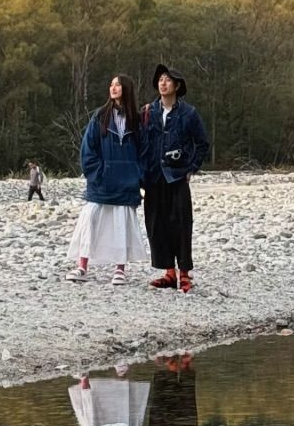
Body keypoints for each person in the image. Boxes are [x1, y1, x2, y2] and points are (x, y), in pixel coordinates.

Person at [67, 74, 147, 285]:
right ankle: (82, 266)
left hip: (127, 184)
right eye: (111, 84)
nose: (113, 88)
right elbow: (88, 150)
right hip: (101, 184)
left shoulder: (136, 121)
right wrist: (97, 174)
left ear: (126, 89)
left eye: (118, 85)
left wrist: (137, 176)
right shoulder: (99, 117)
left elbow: (144, 152)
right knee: (90, 222)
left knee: (121, 225)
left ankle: (120, 268)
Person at [143, 62, 210, 294]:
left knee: (181, 223)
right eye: (160, 79)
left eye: (168, 79)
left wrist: (191, 167)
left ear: (177, 85)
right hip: (153, 176)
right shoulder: (148, 112)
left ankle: (184, 274)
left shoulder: (189, 113)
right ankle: (168, 273)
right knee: (156, 224)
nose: (163, 83)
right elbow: (141, 142)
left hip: (177, 175)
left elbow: (202, 144)